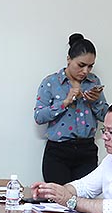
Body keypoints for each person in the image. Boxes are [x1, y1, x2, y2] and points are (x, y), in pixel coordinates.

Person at [30, 100, 112, 213]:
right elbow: (85, 187)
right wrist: (53, 191)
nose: (104, 137)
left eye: (111, 132)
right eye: (104, 130)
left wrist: (70, 201)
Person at [33, 33, 108, 184]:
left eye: (90, 66)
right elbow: (39, 117)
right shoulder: (51, 82)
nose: (86, 71)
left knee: (84, 196)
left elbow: (106, 116)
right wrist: (65, 102)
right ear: (69, 59)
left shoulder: (94, 82)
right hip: (58, 151)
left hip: (86, 150)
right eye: (81, 65)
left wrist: (94, 102)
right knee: (57, 196)